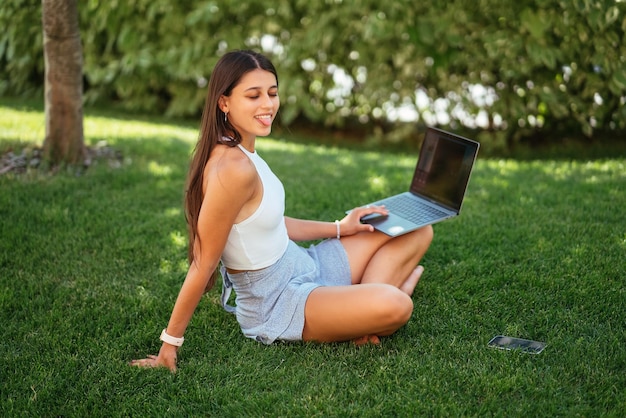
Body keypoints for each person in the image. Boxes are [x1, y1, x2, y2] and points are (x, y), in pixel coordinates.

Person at [131, 50, 433, 372]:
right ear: (224, 102)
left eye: (272, 93)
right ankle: (376, 303)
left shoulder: (243, 148)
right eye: (253, 95)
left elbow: (270, 222)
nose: (268, 105)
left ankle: (359, 315)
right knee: (397, 304)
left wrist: (342, 227)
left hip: (303, 264)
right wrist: (169, 346)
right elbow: (203, 264)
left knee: (416, 228)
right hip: (278, 301)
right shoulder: (231, 168)